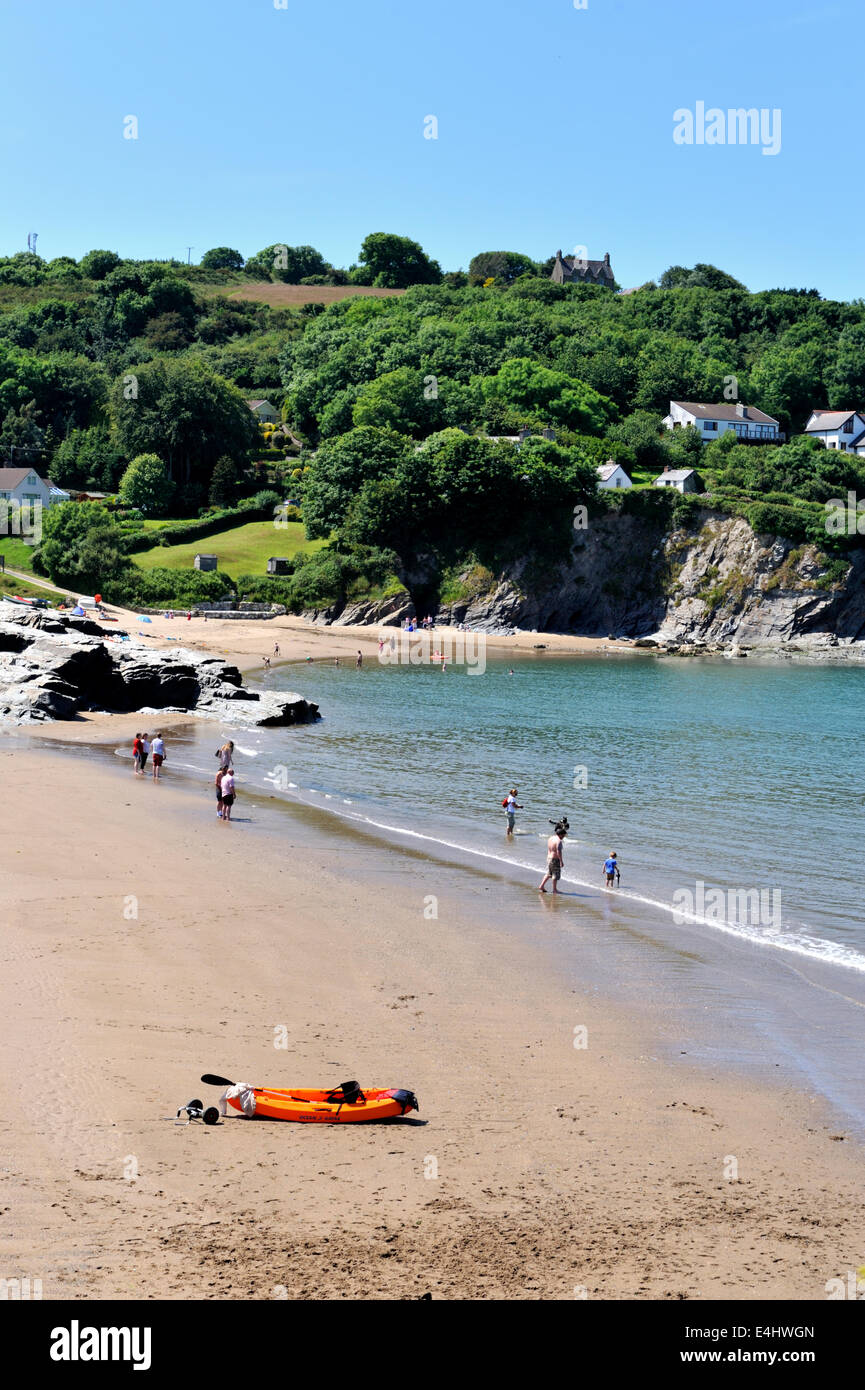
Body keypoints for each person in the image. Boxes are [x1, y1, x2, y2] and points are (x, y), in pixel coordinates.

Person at [539, 823, 566, 894]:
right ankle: (554, 889)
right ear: (560, 834)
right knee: (555, 875)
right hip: (555, 859)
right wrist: (561, 861)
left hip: (549, 858)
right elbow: (558, 851)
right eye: (563, 835)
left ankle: (541, 886)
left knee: (549, 873)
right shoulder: (559, 841)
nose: (563, 837)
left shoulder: (551, 838)